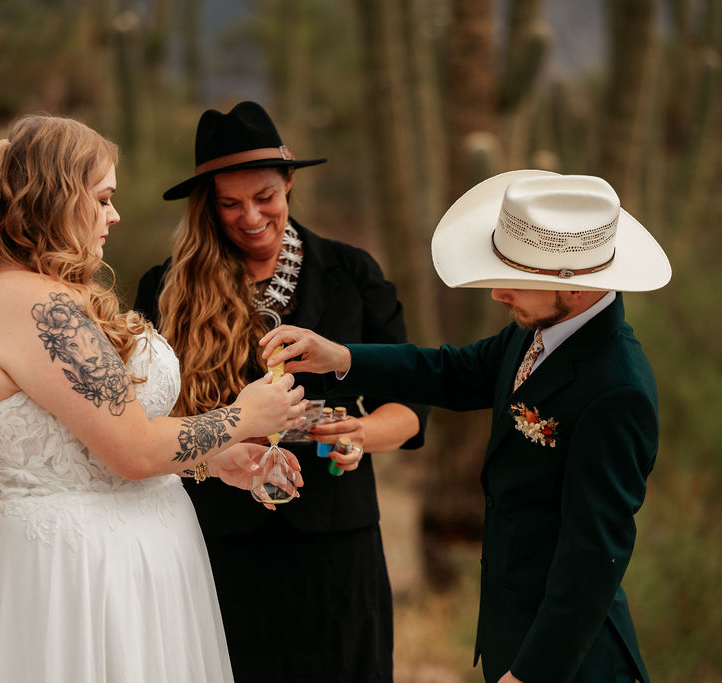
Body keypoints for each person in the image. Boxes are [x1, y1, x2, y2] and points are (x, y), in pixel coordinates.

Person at [0, 114, 307, 683]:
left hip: (127, 564)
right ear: (57, 200)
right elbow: (131, 448)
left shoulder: (47, 295)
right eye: (103, 198)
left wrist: (209, 459)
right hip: (76, 579)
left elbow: (84, 441)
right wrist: (243, 416)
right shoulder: (35, 308)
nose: (114, 215)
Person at [261, 170, 672, 683]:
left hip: (569, 663)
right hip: (511, 633)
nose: (498, 293)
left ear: (576, 285)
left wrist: (530, 675)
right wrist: (340, 357)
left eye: (518, 278)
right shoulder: (540, 329)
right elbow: (450, 372)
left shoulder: (618, 391)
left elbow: (593, 561)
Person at [133, 100, 428, 683]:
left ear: (289, 183)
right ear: (207, 206)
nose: (250, 217)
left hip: (337, 550)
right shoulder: (163, 289)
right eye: (230, 203)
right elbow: (142, 425)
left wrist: (360, 436)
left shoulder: (355, 274)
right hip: (218, 543)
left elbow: (411, 407)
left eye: (264, 196)